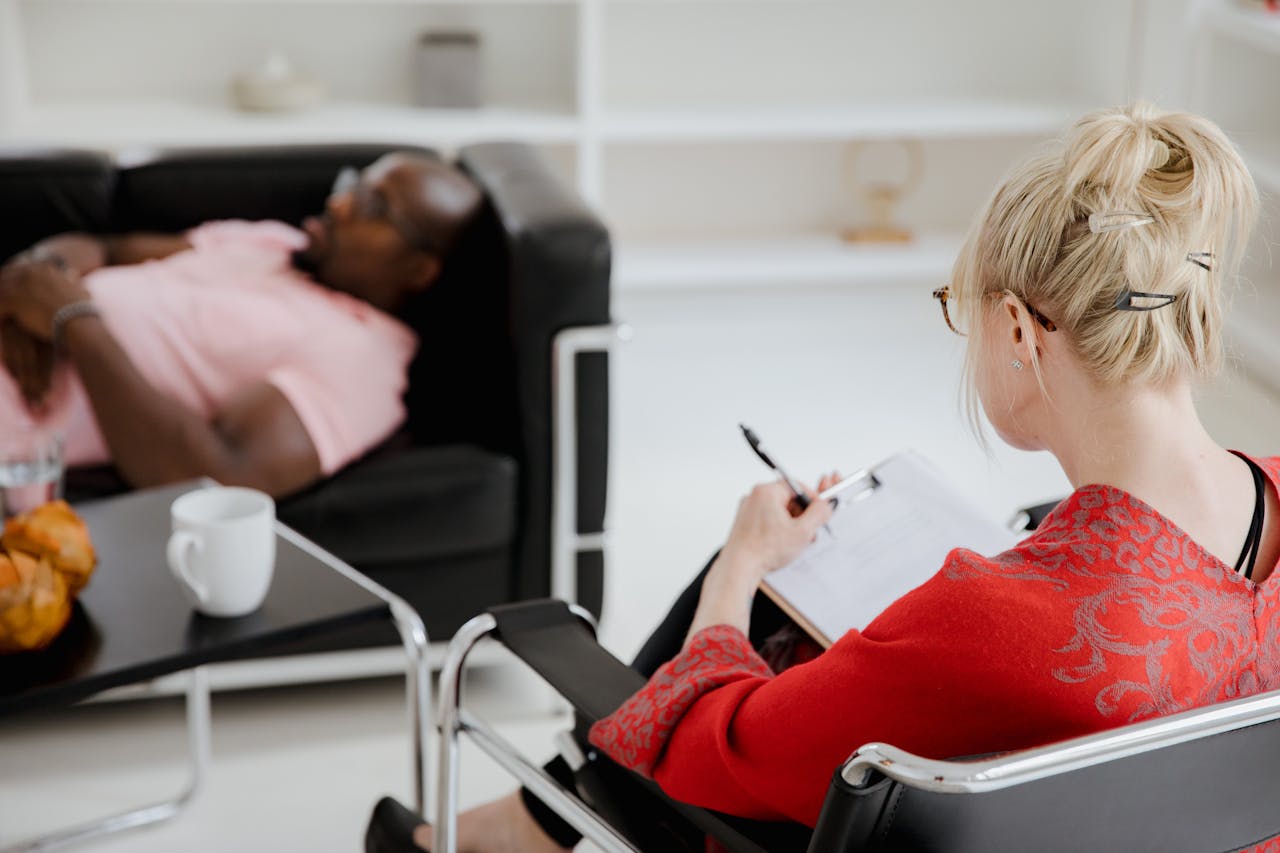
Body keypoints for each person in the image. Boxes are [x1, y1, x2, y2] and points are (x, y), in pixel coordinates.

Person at [366, 101, 1271, 852]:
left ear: (1021, 332)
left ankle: (504, 833)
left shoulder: (993, 622)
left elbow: (705, 743)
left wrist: (740, 562)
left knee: (761, 592)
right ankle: (517, 827)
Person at [0, 152, 483, 498]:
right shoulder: (274, 243)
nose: (339, 204)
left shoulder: (361, 359)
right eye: (354, 184)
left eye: (374, 207)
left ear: (419, 271)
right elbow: (105, 248)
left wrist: (73, 321)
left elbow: (223, 479)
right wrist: (30, 280)